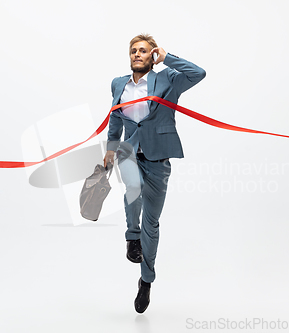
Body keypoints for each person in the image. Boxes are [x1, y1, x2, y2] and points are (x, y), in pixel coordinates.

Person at [103, 33, 206, 313]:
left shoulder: (168, 80)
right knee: (132, 190)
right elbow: (115, 116)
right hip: (128, 151)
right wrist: (111, 149)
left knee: (152, 221)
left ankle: (146, 280)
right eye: (134, 50)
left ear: (152, 55)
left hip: (158, 154)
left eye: (144, 50)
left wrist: (167, 57)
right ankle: (131, 236)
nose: (137, 54)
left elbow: (199, 73)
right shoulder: (118, 83)